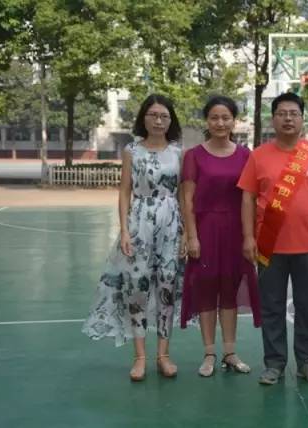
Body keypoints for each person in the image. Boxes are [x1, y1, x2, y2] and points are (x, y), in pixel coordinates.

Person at [238, 92, 308, 385]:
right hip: (269, 245)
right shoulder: (258, 156)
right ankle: (274, 364)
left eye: (293, 113)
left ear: (302, 118)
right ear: (273, 119)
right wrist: (248, 236)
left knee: (307, 306)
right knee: (272, 307)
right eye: (282, 113)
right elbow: (247, 198)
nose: (288, 119)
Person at [82, 94, 185, 382]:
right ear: (144, 118)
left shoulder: (179, 152)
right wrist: (125, 230)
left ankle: (163, 355)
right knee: (136, 287)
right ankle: (139, 357)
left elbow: (183, 194)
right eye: (153, 115)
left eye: (164, 116)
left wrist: (187, 233)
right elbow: (125, 191)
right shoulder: (132, 151)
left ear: (170, 120)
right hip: (140, 223)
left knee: (167, 285)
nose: (158, 120)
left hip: (171, 224)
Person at [180, 95, 261, 377]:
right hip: (205, 230)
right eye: (214, 117)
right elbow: (187, 200)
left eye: (226, 117)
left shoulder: (245, 155)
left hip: (236, 231)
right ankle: (209, 354)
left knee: (229, 291)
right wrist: (192, 236)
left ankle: (229, 352)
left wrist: (250, 236)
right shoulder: (193, 156)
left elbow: (250, 198)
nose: (220, 123)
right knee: (206, 291)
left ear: (234, 121)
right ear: (207, 121)